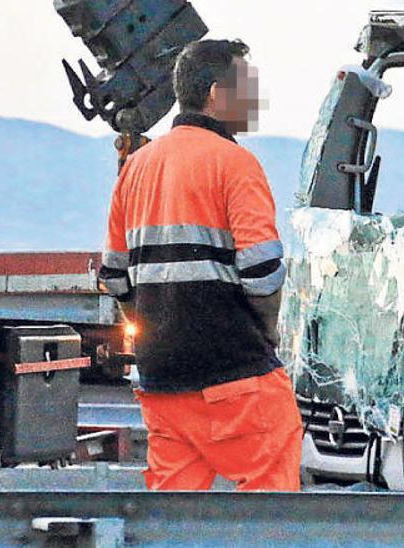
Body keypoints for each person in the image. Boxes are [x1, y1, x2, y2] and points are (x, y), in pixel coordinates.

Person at [97, 39, 302, 491]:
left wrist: (158, 328)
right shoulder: (236, 164)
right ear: (216, 94)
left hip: (162, 383)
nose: (255, 99)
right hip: (236, 376)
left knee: (173, 519)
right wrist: (268, 336)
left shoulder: (136, 167)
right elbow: (263, 274)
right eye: (246, 87)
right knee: (271, 511)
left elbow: (113, 277)